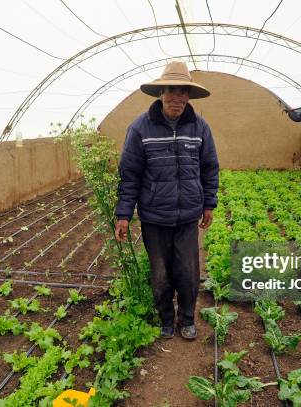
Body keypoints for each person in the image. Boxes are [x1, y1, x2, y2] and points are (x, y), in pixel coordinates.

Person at [114, 61, 219, 340]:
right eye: (172, 90)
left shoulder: (199, 128)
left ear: (188, 95)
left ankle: (186, 318)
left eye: (183, 91)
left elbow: (209, 167)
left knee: (187, 271)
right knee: (160, 274)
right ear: (161, 93)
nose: (178, 97)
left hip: (187, 217)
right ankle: (165, 318)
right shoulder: (140, 128)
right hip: (153, 218)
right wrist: (123, 214)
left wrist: (209, 204)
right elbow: (130, 174)